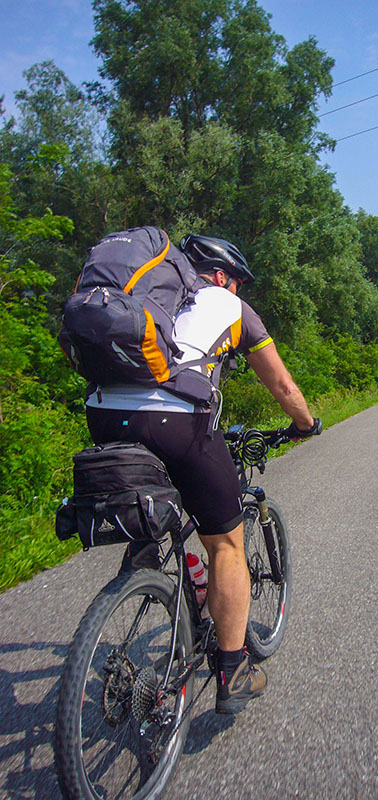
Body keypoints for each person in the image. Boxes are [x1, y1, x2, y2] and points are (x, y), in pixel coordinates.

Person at [84, 234, 321, 714]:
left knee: (152, 504)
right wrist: (305, 424)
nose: (237, 290)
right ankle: (234, 671)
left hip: (103, 413)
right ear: (220, 275)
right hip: (177, 420)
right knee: (226, 544)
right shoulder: (231, 307)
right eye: (236, 282)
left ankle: (145, 568)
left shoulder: (148, 297)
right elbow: (282, 384)